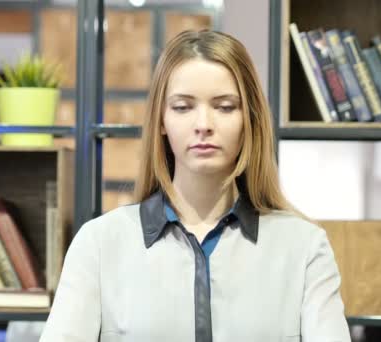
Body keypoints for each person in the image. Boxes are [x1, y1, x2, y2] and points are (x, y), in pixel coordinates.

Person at [40, 30, 350, 342]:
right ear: (161, 120)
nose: (203, 124)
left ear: (250, 119)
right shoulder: (99, 244)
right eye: (183, 107)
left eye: (225, 106)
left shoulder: (305, 248)